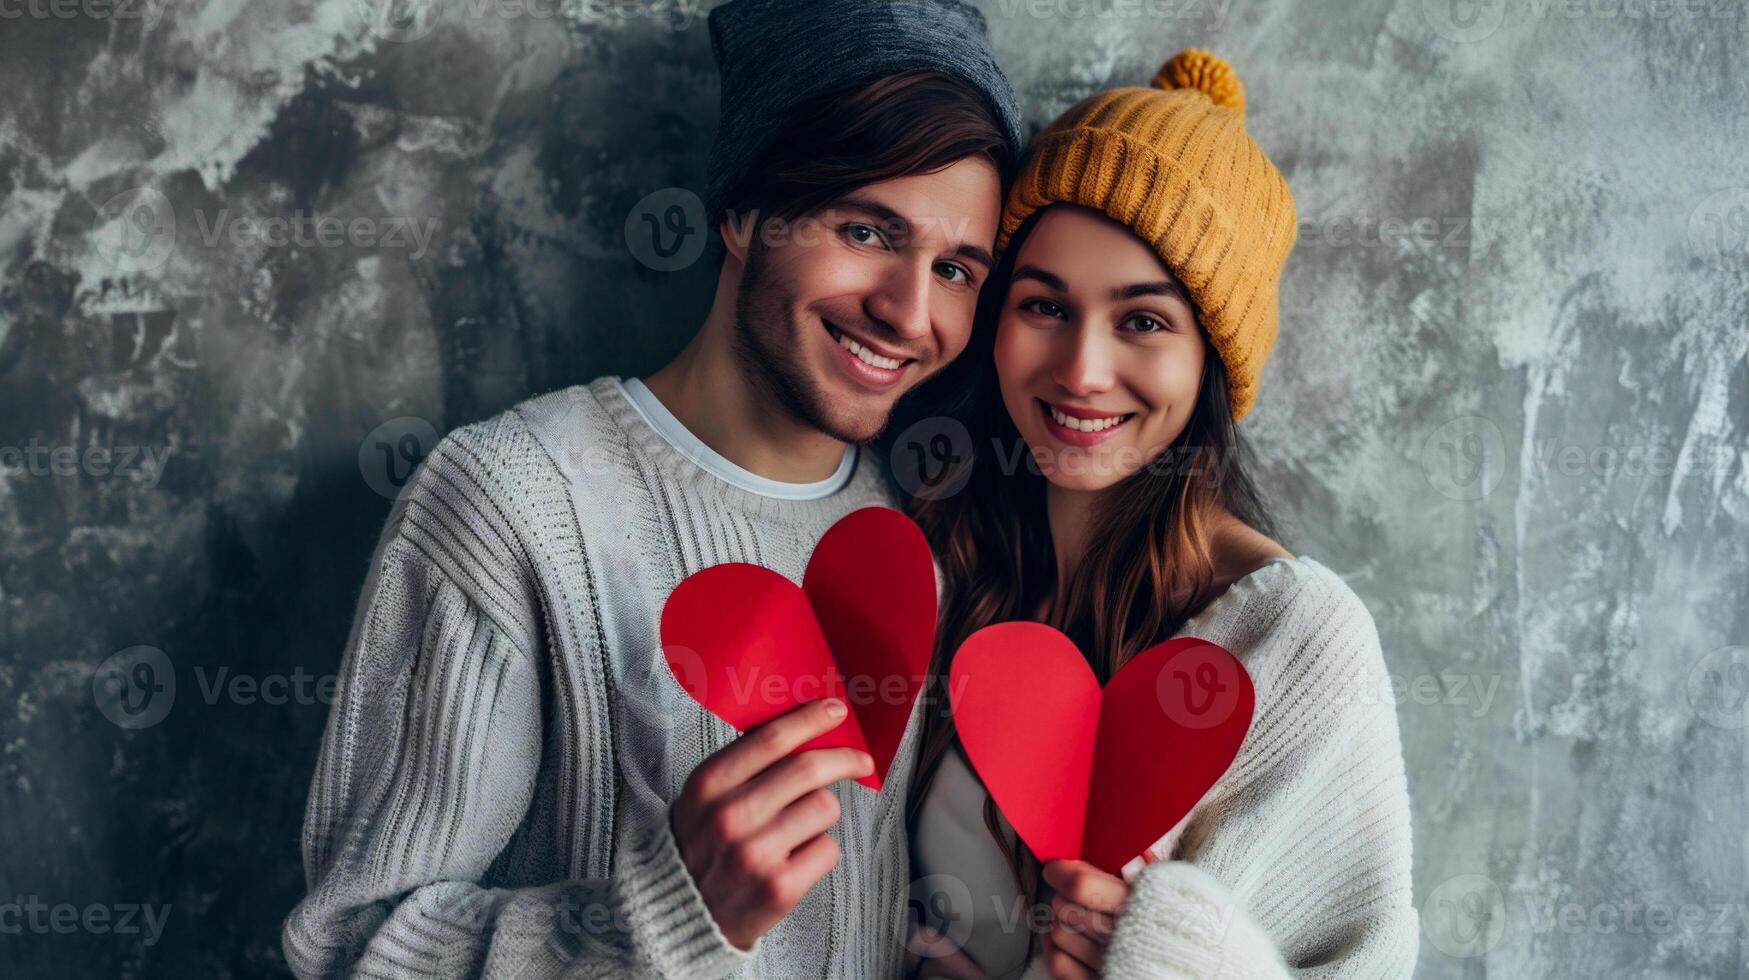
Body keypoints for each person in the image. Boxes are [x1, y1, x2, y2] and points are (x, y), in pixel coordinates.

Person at [280, 1, 1023, 976]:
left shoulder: (912, 544)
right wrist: (659, 915)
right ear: (744, 213)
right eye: (867, 229)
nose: (909, 312)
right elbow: (348, 945)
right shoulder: (508, 503)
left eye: (958, 268)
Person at [901, 50, 1418, 979]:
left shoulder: (1294, 640)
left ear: (1211, 364)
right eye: (1042, 305)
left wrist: (1180, 957)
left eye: (1142, 320)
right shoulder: (948, 563)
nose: (1082, 369)